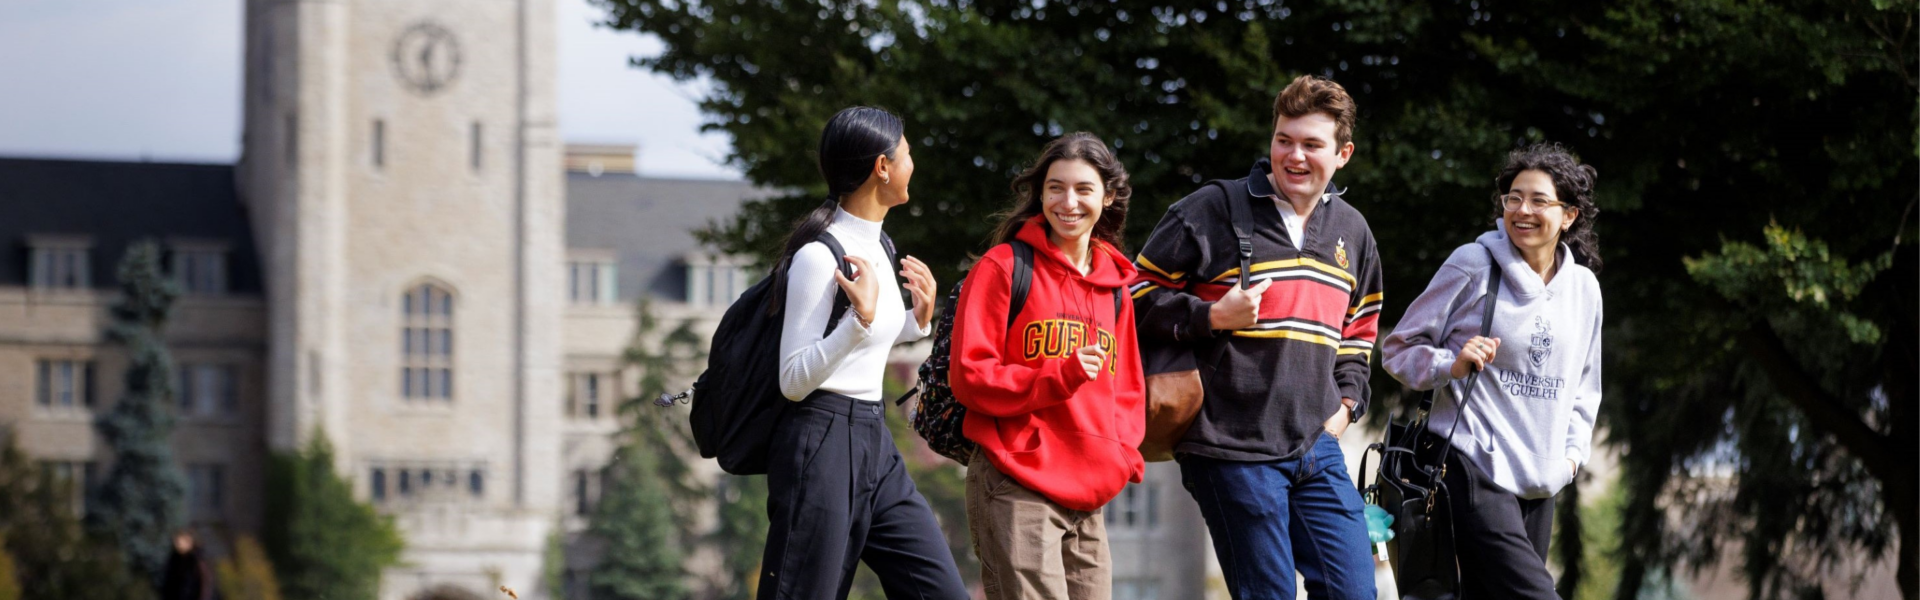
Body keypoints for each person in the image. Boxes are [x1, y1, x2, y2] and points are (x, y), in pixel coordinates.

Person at [1129, 75, 1382, 600]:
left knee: (1355, 593)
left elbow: (1360, 328)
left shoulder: (1353, 231)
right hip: (1229, 446)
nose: (1294, 156)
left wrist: (1349, 403)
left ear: (1343, 154)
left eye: (1312, 144)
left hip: (1318, 444)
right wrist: (1210, 316)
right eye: (1284, 140)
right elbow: (1130, 297)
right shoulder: (1212, 208)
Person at [758, 106, 967, 600]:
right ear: (882, 167)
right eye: (908, 153)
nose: (913, 162)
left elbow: (868, 343)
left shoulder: (883, 246)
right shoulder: (817, 256)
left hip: (873, 438)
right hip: (820, 440)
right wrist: (860, 322)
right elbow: (793, 377)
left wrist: (918, 319)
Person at [1379, 142, 1604, 599]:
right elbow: (1398, 349)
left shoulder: (1584, 289)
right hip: (1472, 464)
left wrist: (1571, 460)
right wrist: (1451, 363)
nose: (1522, 210)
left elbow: (1586, 387)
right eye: (1513, 198)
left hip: (1542, 481)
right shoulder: (1474, 264)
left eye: (1539, 200)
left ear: (1569, 216)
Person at [949, 133, 1146, 600]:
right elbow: (970, 376)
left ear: (1108, 196)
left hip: (1090, 494)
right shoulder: (1003, 268)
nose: (1068, 202)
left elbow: (1128, 389)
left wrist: (1121, 456)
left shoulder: (1116, 287)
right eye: (1055, 188)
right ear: (1040, 194)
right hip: (1017, 481)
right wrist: (1060, 375)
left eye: (1083, 189)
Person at [160, 529, 213, 600]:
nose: (179, 544)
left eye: (183, 541)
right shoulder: (173, 559)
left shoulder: (197, 561)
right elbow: (168, 583)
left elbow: (204, 586)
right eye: (177, 541)